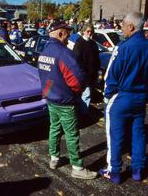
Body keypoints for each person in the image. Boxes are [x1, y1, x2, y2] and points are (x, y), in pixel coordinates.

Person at [99, 12, 148, 184]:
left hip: (121, 97)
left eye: (123, 24)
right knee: (138, 134)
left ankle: (114, 171)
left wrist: (107, 96)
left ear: (131, 27)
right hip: (140, 98)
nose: (121, 27)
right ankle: (138, 170)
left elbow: (111, 75)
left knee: (115, 136)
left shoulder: (123, 47)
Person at [37, 21, 97, 180]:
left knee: (54, 128)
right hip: (65, 101)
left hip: (51, 99)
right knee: (71, 134)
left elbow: (44, 77)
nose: (69, 37)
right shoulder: (64, 53)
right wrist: (76, 93)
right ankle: (77, 167)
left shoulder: (44, 52)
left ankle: (54, 159)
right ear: (60, 33)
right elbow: (77, 79)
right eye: (67, 34)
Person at [73, 23, 100, 115]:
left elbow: (97, 60)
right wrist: (82, 75)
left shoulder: (93, 44)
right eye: (88, 31)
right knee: (85, 94)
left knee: (86, 95)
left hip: (91, 75)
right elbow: (76, 61)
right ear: (83, 31)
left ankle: (82, 113)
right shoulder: (79, 43)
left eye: (91, 32)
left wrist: (96, 72)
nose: (90, 33)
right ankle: (83, 114)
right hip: (82, 75)